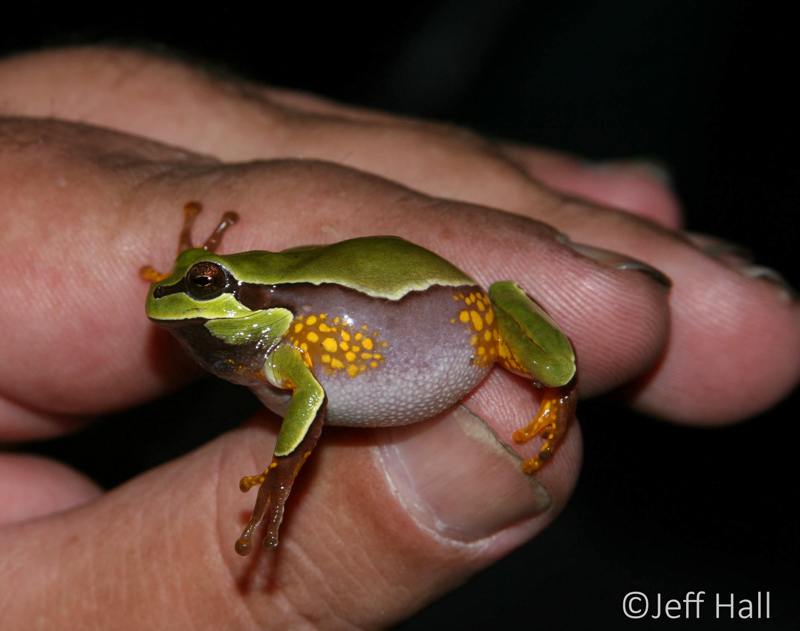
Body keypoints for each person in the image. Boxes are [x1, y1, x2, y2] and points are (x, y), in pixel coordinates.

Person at [0, 47, 797, 629]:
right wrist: (198, 276)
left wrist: (281, 473)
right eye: (192, 282)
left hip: (457, 315)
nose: (175, 298)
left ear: (235, 294)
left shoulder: (281, 344)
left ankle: (552, 386)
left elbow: (307, 393)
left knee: (549, 352)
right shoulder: (251, 328)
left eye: (203, 284)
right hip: (386, 308)